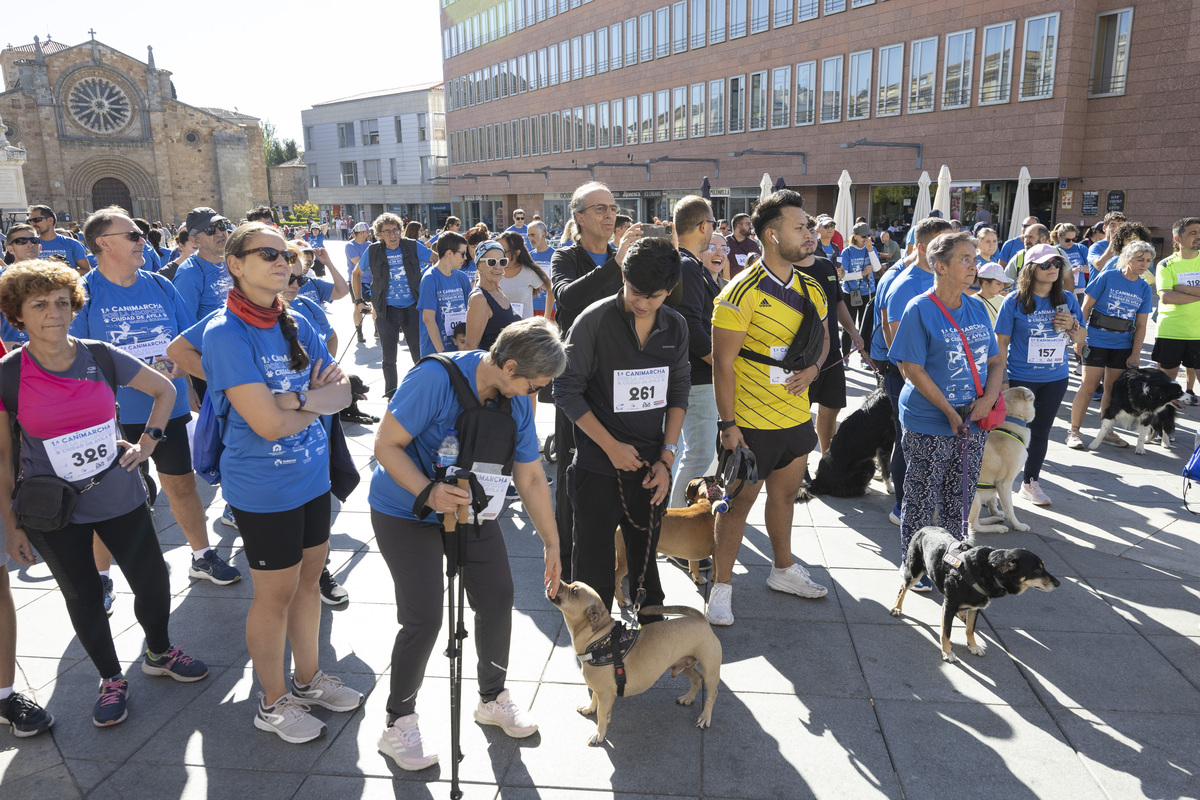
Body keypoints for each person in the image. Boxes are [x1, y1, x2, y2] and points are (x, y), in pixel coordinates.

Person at [0, 259, 208, 727]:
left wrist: (148, 441)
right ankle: (111, 678)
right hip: (54, 511)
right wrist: (12, 526)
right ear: (18, 314)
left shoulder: (100, 353)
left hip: (119, 492)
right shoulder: (8, 376)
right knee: (85, 595)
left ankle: (159, 649)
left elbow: (164, 390)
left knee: (152, 580)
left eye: (61, 302)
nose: (54, 313)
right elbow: (2, 459)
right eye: (39, 304)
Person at [371, 316, 564, 769]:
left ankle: (492, 698)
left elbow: (532, 476)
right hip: (407, 509)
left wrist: (552, 543)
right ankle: (398, 724)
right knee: (424, 618)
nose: (533, 395)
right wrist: (427, 491)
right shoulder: (434, 378)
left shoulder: (514, 402)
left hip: (471, 507)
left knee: (498, 597)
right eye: (534, 385)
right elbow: (385, 445)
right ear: (510, 365)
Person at [201, 222, 360, 742]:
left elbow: (342, 396)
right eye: (267, 253)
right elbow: (266, 427)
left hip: (311, 477)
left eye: (286, 253)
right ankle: (272, 702)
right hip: (263, 488)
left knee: (310, 582)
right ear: (235, 264)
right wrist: (304, 404)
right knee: (274, 594)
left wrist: (292, 402)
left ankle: (309, 679)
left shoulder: (295, 320)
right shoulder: (225, 333)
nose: (282, 260)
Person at [74, 208, 241, 611]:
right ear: (103, 243)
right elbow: (76, 361)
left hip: (169, 409)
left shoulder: (159, 285)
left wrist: (181, 371)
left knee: (181, 485)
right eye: (132, 235)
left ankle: (201, 556)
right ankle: (100, 578)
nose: (142, 241)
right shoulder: (83, 291)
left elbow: (185, 341)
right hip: (111, 417)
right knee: (107, 500)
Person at [707, 190, 830, 627]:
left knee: (785, 498)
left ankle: (782, 569)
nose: (810, 233)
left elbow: (823, 340)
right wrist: (727, 426)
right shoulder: (739, 293)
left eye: (809, 226)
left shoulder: (812, 286)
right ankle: (720, 588)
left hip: (796, 418)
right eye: (801, 227)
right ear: (773, 236)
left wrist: (814, 370)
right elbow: (722, 363)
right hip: (750, 423)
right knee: (737, 505)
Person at [554, 237, 688, 618]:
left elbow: (678, 392)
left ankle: (652, 644)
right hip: (597, 467)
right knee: (593, 572)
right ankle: (595, 657)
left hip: (650, 469)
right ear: (623, 276)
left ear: (670, 291)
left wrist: (667, 458)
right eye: (634, 292)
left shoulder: (675, 327)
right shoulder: (593, 321)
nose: (642, 304)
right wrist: (610, 446)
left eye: (655, 296)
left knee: (646, 563)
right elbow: (565, 389)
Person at [889, 231, 1000, 581]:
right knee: (922, 496)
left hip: (974, 419)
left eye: (974, 258)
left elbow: (996, 361)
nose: (974, 265)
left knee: (959, 494)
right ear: (940, 266)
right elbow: (911, 368)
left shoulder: (977, 306)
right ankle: (914, 565)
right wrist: (951, 412)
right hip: (930, 420)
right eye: (965, 259)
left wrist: (987, 401)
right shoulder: (919, 308)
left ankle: (952, 562)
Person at [550, 183, 643, 581]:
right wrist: (615, 265)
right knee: (574, 471)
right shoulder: (565, 256)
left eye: (613, 207)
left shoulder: (622, 256)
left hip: (619, 379)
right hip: (576, 382)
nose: (610, 215)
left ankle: (617, 560)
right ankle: (566, 565)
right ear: (579, 217)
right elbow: (567, 299)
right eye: (600, 208)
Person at [995, 246, 1087, 506]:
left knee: (1041, 431)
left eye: (1057, 264)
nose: (1053, 269)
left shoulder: (1067, 299)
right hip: (1020, 376)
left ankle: (1030, 482)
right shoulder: (1014, 301)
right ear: (1030, 269)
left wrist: (1072, 325)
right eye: (1045, 265)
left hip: (1055, 377)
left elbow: (1082, 338)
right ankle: (999, 481)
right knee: (1010, 431)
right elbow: (1001, 342)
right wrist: (1001, 378)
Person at [879, 217, 954, 525]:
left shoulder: (944, 278)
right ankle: (902, 507)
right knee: (908, 440)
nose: (950, 251)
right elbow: (894, 336)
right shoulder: (906, 284)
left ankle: (926, 501)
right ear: (923, 248)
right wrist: (915, 380)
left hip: (941, 377)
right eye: (943, 245)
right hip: (910, 379)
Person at [1066, 240, 1156, 450]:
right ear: (1127, 257)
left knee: (1112, 389)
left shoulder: (1143, 288)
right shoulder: (1108, 277)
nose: (1144, 264)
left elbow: (1141, 325)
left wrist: (1136, 354)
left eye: (1148, 261)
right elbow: (1085, 308)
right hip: (1096, 339)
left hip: (1123, 343)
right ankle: (1074, 431)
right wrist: (1080, 338)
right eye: (1140, 259)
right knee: (1088, 386)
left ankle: (1106, 431)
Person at [796, 218, 862, 466]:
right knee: (802, 412)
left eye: (813, 231)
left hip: (832, 351)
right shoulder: (786, 268)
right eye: (804, 231)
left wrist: (853, 331)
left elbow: (838, 302)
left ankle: (827, 463)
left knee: (832, 408)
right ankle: (799, 466)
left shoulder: (826, 266)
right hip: (802, 356)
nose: (810, 236)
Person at [670, 196, 720, 510]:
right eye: (713, 224)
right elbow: (690, 324)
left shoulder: (688, 264)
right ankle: (674, 529)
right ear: (703, 226)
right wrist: (721, 361)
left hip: (696, 376)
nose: (713, 230)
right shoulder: (687, 265)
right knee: (699, 453)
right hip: (698, 377)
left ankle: (672, 524)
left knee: (694, 452)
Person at [366, 213, 423, 397]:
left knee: (419, 355)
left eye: (396, 230)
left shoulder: (412, 246)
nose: (393, 235)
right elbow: (356, 273)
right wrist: (359, 300)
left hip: (412, 308)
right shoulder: (373, 250)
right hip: (386, 311)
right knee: (388, 358)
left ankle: (422, 390)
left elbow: (437, 260)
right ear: (380, 234)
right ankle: (391, 394)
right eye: (388, 231)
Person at [1152, 217, 1200, 405]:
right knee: (1166, 385)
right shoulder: (1165, 264)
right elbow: (1167, 297)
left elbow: (1173, 292)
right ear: (1178, 239)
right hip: (1171, 331)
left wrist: (1181, 288)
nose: (1198, 236)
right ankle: (1163, 428)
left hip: (1198, 332)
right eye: (1193, 233)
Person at [172, 207, 236, 328]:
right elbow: (185, 326)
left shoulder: (235, 260)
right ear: (195, 240)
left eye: (221, 226)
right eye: (210, 230)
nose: (219, 233)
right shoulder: (189, 274)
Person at [417, 233, 474, 358]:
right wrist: (442, 354)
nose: (465, 258)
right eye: (463, 253)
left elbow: (470, 313)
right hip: (436, 352)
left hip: (459, 350)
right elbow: (428, 319)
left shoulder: (462, 278)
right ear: (449, 253)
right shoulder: (430, 278)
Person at [465, 241, 521, 351]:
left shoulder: (497, 290)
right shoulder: (479, 299)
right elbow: (470, 348)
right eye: (491, 262)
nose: (498, 267)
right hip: (493, 366)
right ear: (479, 265)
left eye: (502, 262)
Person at [838, 222, 879, 356]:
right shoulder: (847, 252)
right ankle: (845, 355)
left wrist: (871, 250)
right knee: (848, 327)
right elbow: (843, 276)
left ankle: (864, 355)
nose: (867, 238)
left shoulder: (871, 249)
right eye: (863, 236)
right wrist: (861, 274)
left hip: (868, 291)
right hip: (850, 292)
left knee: (865, 326)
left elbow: (877, 268)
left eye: (868, 235)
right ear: (855, 236)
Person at [498, 231, 553, 320]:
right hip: (497, 330)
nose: (499, 254)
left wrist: (546, 318)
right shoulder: (493, 271)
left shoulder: (528, 272)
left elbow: (551, 288)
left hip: (523, 330)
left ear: (517, 252)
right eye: (497, 249)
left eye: (503, 251)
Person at [26, 205, 89, 273]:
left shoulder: (72, 244)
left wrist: (66, 268)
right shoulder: (28, 244)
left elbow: (87, 272)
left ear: (50, 220)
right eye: (30, 221)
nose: (33, 223)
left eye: (36, 220)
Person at [293, 242, 349, 306]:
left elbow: (343, 291)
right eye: (302, 262)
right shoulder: (281, 286)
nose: (306, 266)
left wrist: (328, 263)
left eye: (309, 263)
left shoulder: (314, 284)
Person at [346, 222, 376, 343]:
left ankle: (377, 329)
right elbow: (358, 263)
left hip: (371, 280)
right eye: (367, 231)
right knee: (358, 307)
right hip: (358, 280)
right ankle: (359, 332)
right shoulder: (350, 246)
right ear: (361, 233)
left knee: (376, 306)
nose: (369, 234)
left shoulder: (369, 244)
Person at [974, 262, 1012, 326]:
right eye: (999, 283)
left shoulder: (1004, 301)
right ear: (985, 283)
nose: (1002, 286)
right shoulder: (972, 302)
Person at [725, 213, 761, 278]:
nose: (750, 227)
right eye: (748, 224)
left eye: (751, 224)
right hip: (731, 285)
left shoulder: (753, 244)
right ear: (738, 226)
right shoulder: (725, 243)